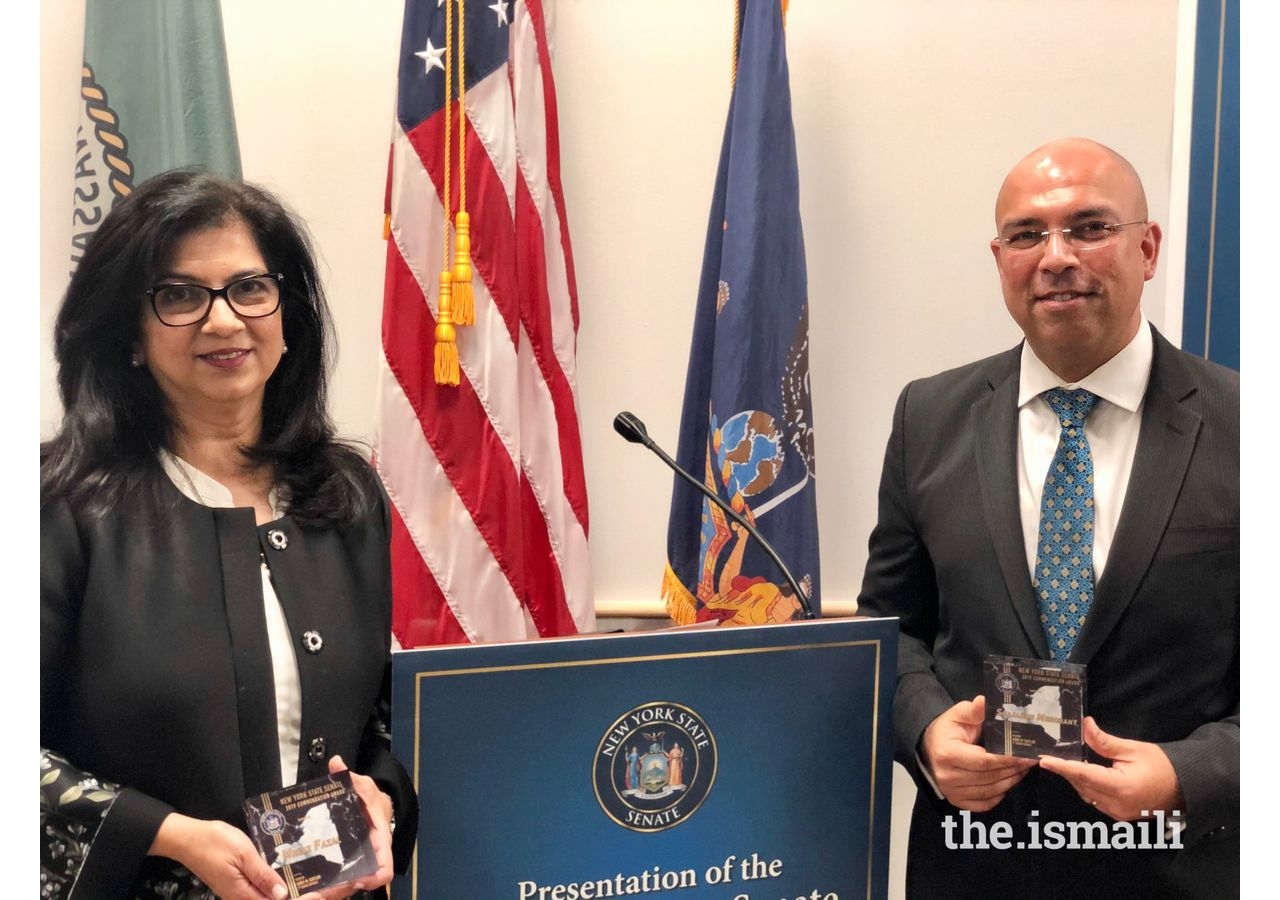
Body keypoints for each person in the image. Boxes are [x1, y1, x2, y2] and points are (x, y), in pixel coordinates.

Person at [856, 138, 1237, 898]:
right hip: (974, 862)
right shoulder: (929, 416)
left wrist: (1194, 773)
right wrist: (929, 735)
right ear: (1000, 258)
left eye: (1089, 227)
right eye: (1028, 235)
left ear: (1148, 247)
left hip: (1179, 865)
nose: (1056, 255)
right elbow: (892, 631)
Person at [41, 170, 419, 899]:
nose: (223, 320)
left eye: (249, 287)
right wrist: (167, 834)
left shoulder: (345, 495)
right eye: (180, 296)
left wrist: (380, 796)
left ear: (286, 317)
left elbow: (378, 717)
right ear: (130, 336)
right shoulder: (60, 506)